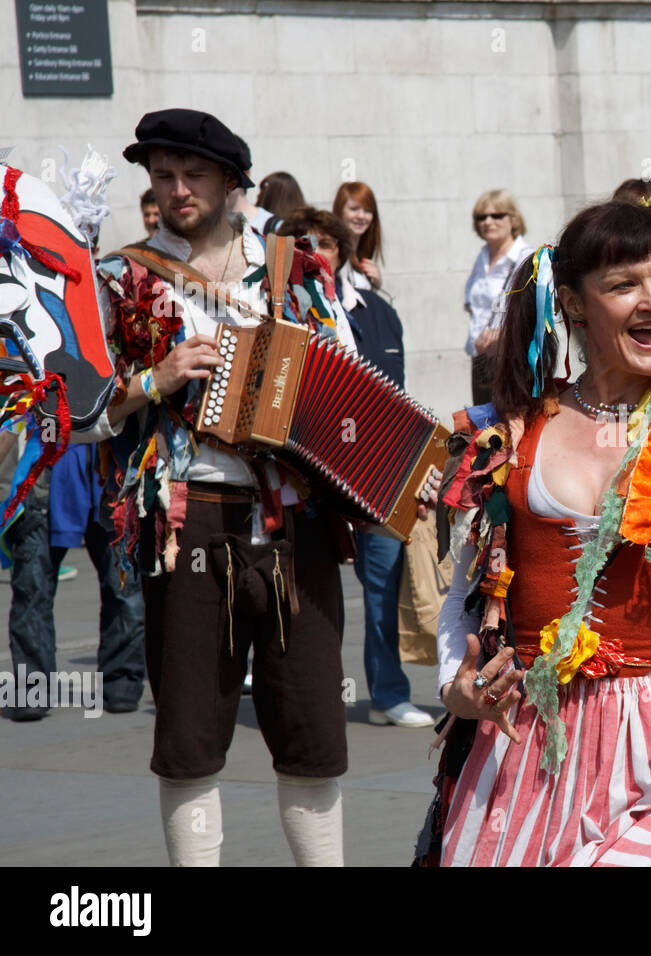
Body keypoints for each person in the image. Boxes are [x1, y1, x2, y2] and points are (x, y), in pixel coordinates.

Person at [414, 199, 651, 867]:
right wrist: (457, 688)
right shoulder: (512, 431)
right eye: (624, 285)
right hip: (527, 742)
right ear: (572, 302)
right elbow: (465, 597)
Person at [83, 109, 359, 866]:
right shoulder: (120, 278)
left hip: (293, 522)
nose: (176, 190)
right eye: (162, 175)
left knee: (311, 724)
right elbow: (76, 416)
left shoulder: (296, 270)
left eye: (193, 174)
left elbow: (349, 381)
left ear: (232, 183)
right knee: (190, 734)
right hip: (188, 524)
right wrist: (152, 379)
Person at [276, 207, 434, 726]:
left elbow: (395, 395)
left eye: (326, 243)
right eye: (306, 243)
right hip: (304, 474)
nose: (317, 252)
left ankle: (388, 693)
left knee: (383, 581)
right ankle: (303, 690)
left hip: (376, 469)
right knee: (305, 585)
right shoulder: (280, 311)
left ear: (343, 252)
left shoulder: (379, 312)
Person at [2, 441, 146, 720]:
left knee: (123, 585)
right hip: (44, 468)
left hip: (109, 466)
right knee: (32, 587)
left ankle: (122, 683)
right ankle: (32, 689)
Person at [463, 189, 532, 406]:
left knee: (512, 427)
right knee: (484, 430)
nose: (488, 222)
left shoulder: (526, 258)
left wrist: (503, 331)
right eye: (481, 217)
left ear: (513, 219)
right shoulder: (481, 258)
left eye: (497, 215)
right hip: (482, 360)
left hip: (511, 360)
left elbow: (537, 311)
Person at [332, 181, 384, 290]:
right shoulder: (333, 252)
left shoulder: (363, 258)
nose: (361, 216)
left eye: (367, 210)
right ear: (340, 210)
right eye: (354, 209)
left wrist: (376, 284)